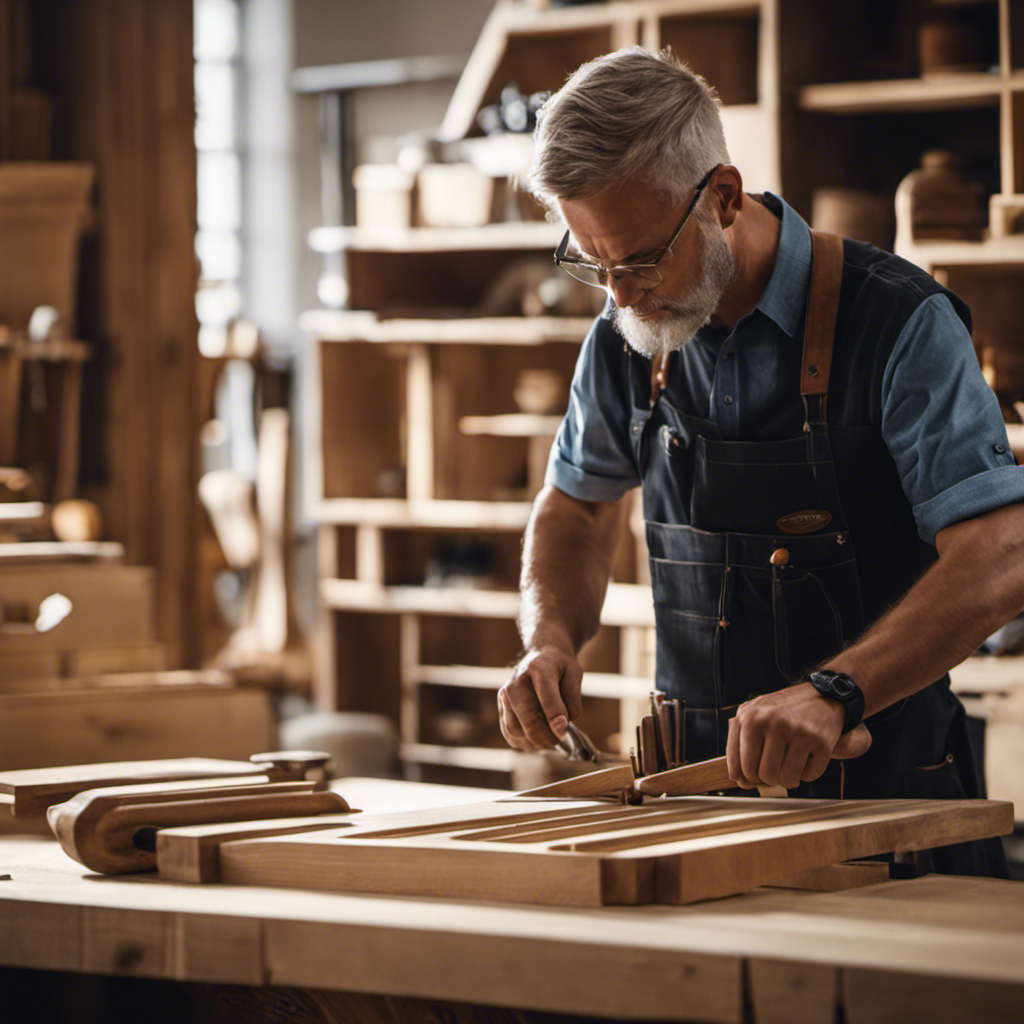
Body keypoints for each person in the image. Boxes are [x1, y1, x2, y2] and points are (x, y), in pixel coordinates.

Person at [498, 47, 1024, 876]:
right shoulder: (624, 336)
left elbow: (1001, 555)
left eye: (637, 260)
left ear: (724, 197)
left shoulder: (899, 323)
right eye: (591, 264)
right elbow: (577, 505)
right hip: (691, 804)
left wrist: (835, 690)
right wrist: (550, 636)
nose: (619, 296)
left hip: (888, 807)